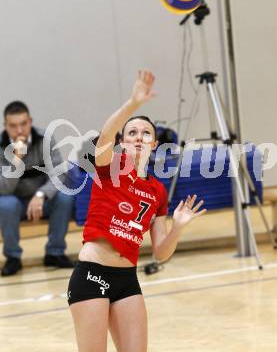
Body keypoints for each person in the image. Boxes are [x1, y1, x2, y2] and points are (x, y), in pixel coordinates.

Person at [67, 70, 206, 352]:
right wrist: (133, 103)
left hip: (127, 280)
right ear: (122, 142)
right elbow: (105, 134)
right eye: (132, 133)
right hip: (92, 274)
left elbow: (160, 252)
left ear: (154, 145)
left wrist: (178, 228)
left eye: (146, 134)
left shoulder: (157, 191)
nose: (139, 137)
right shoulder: (109, 168)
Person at [0, 101, 75, 276]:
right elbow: (4, 189)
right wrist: (17, 160)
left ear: (30, 122)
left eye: (23, 124)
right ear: (6, 127)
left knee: (65, 197)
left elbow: (59, 174)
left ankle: (54, 253)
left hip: (41, 200)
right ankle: (13, 257)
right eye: (13, 126)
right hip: (15, 201)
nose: (19, 130)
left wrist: (41, 195)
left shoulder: (45, 139)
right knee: (5, 204)